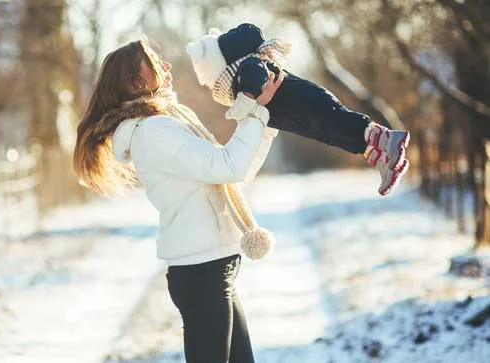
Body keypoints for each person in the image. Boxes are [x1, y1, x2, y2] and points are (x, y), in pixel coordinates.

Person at [73, 38, 284, 362]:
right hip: (201, 272)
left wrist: (264, 122)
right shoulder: (153, 131)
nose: (167, 65)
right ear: (136, 81)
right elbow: (228, 164)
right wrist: (255, 111)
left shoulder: (170, 121)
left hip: (214, 265)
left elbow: (232, 171)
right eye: (156, 62)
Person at [187, 23, 411, 196]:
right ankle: (384, 159)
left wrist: (241, 107)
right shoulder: (241, 72)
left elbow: (254, 83)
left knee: (338, 123)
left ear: (220, 67)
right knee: (334, 135)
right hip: (303, 119)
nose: (212, 89)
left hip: (309, 104)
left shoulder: (248, 66)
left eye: (209, 83)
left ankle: (390, 140)